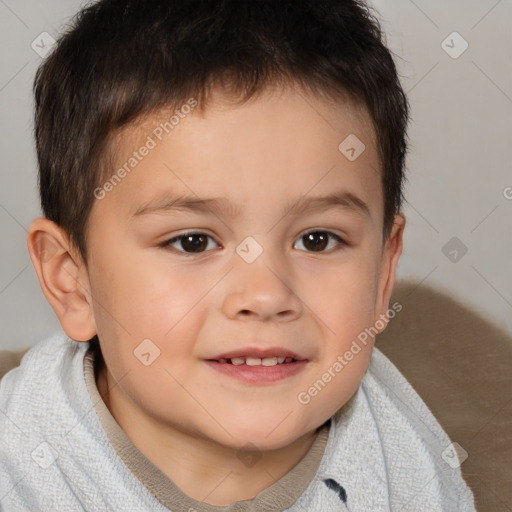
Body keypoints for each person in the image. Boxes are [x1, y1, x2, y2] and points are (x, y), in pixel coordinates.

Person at [0, 0, 476, 510]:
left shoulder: (409, 465)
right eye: (192, 241)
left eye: (318, 239)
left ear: (383, 273)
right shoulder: (22, 468)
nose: (267, 295)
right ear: (72, 281)